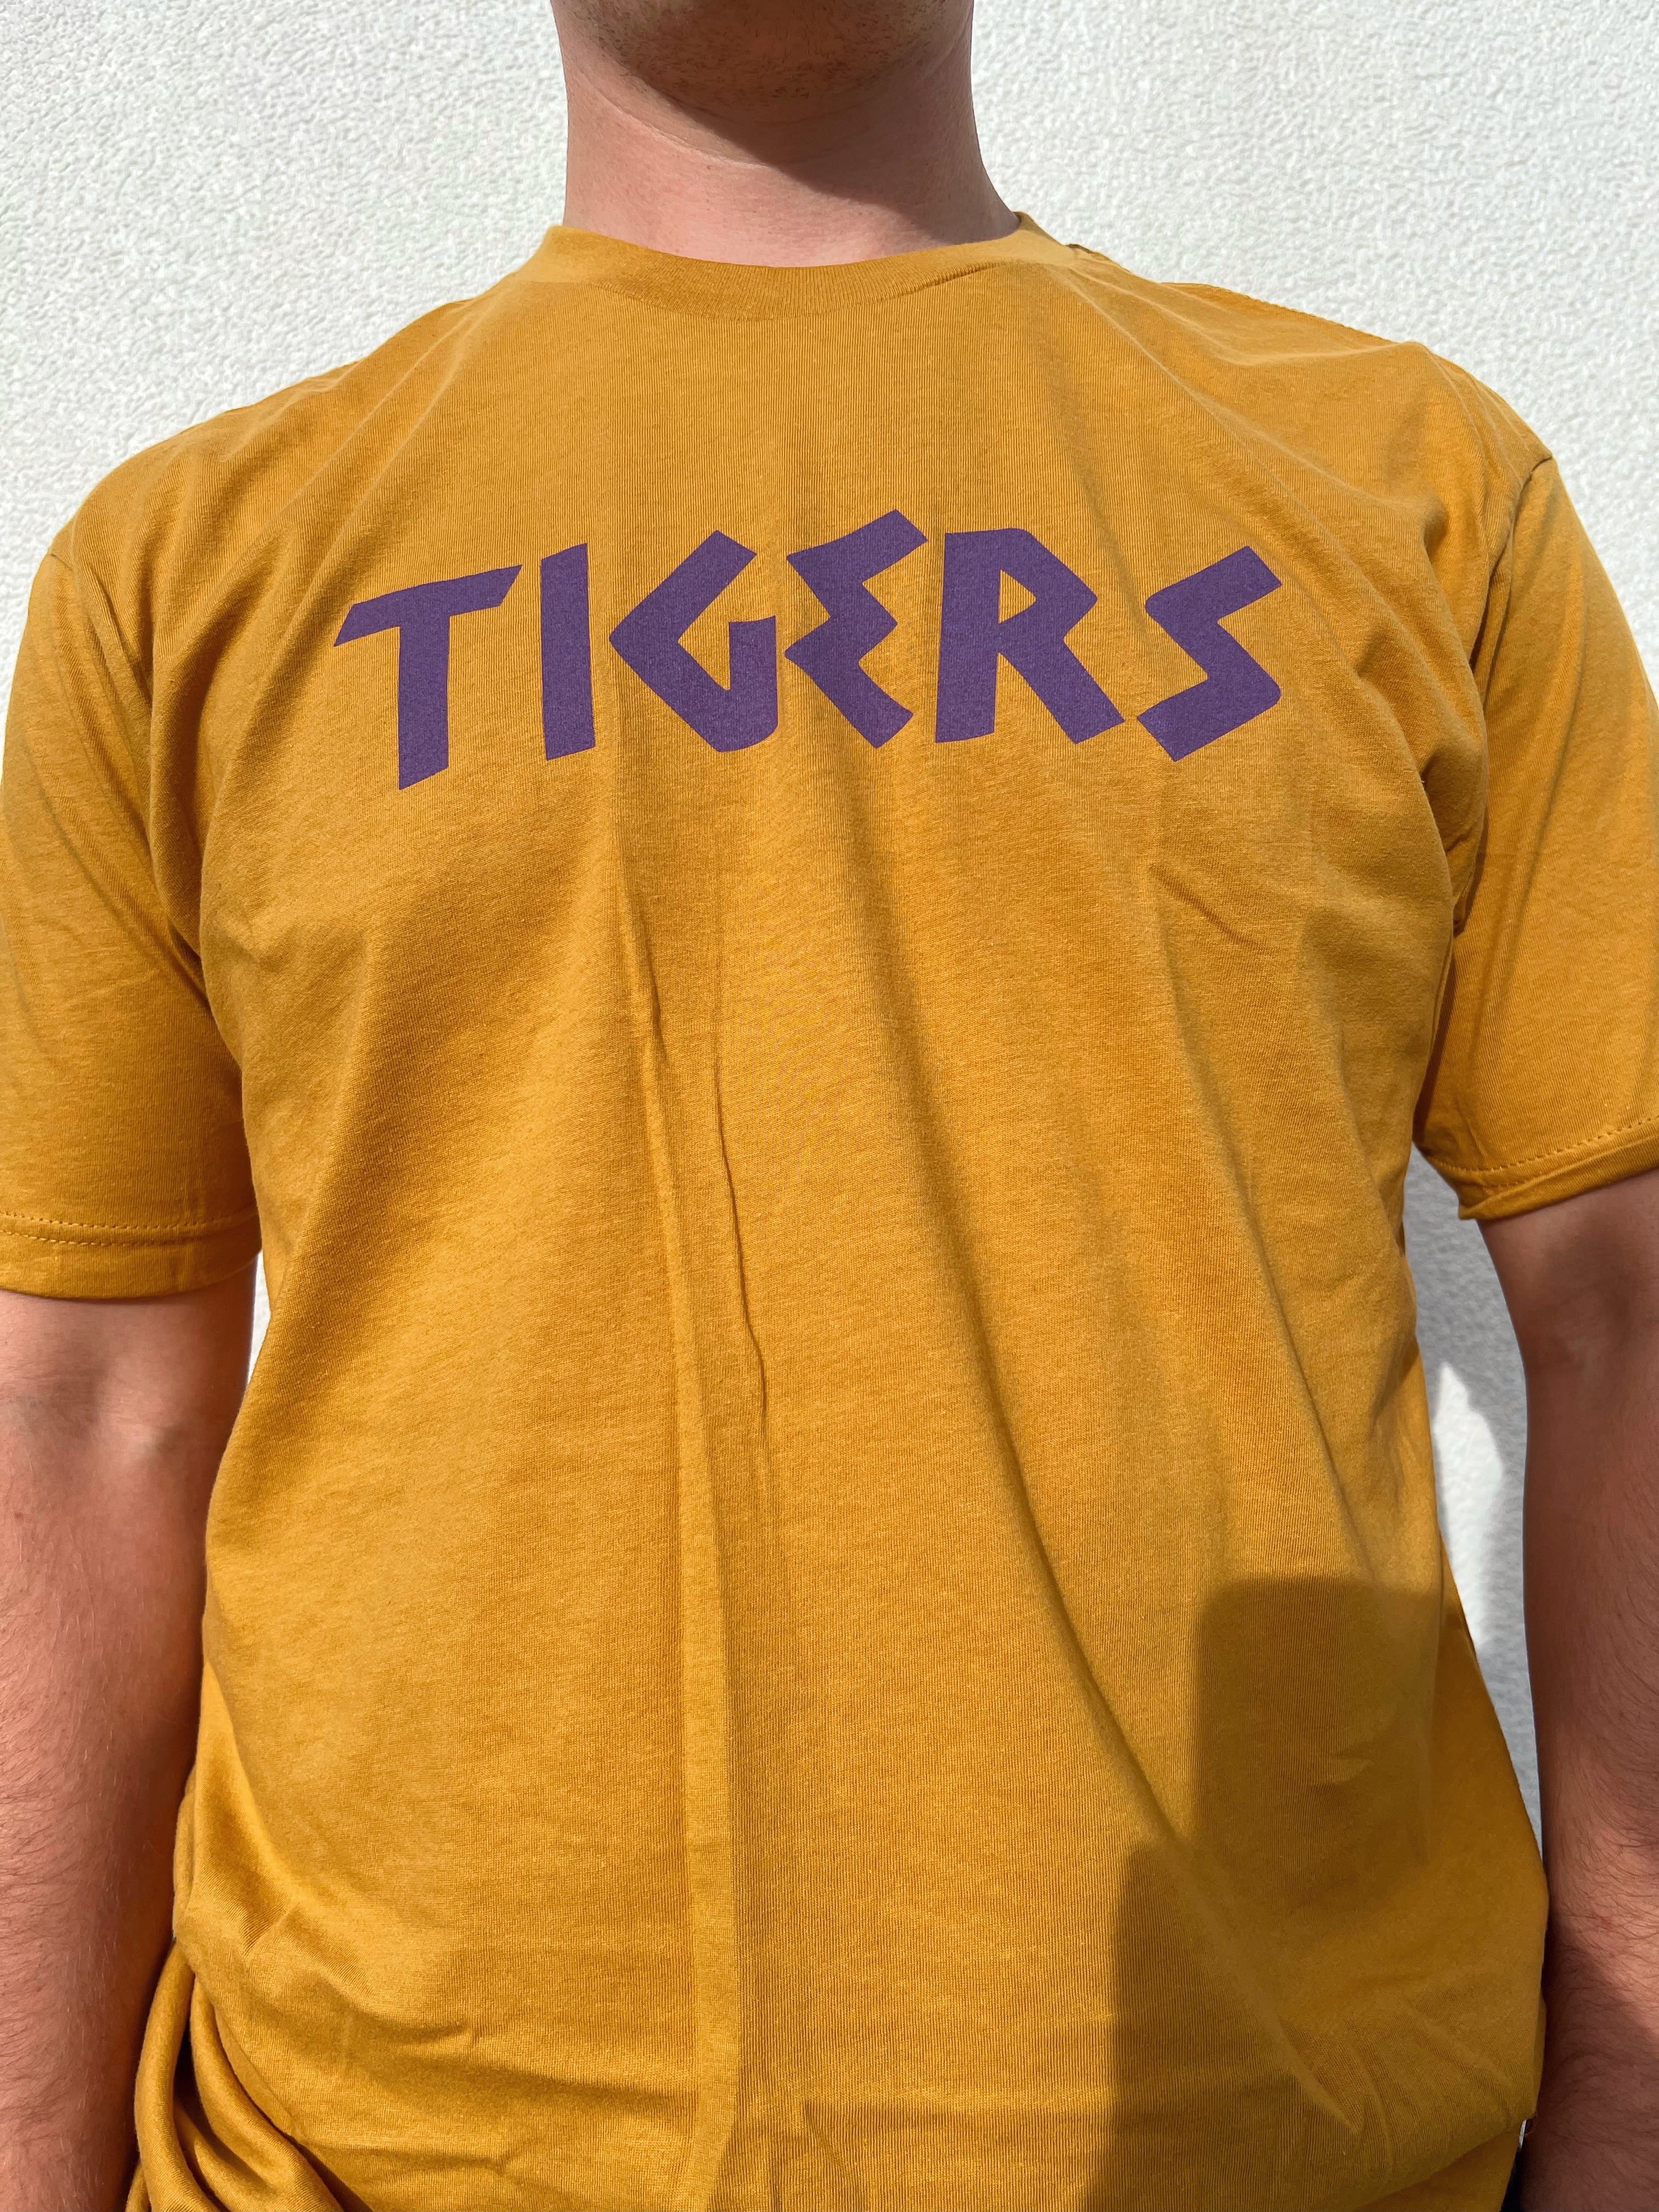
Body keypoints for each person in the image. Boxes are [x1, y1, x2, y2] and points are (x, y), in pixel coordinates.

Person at [2, 0, 1656, 2205]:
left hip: (1276, 2153)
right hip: (366, 2160)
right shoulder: (185, 568)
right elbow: (82, 1414)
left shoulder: (1422, 491)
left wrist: (1636, 2103)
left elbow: (1626, 1315)